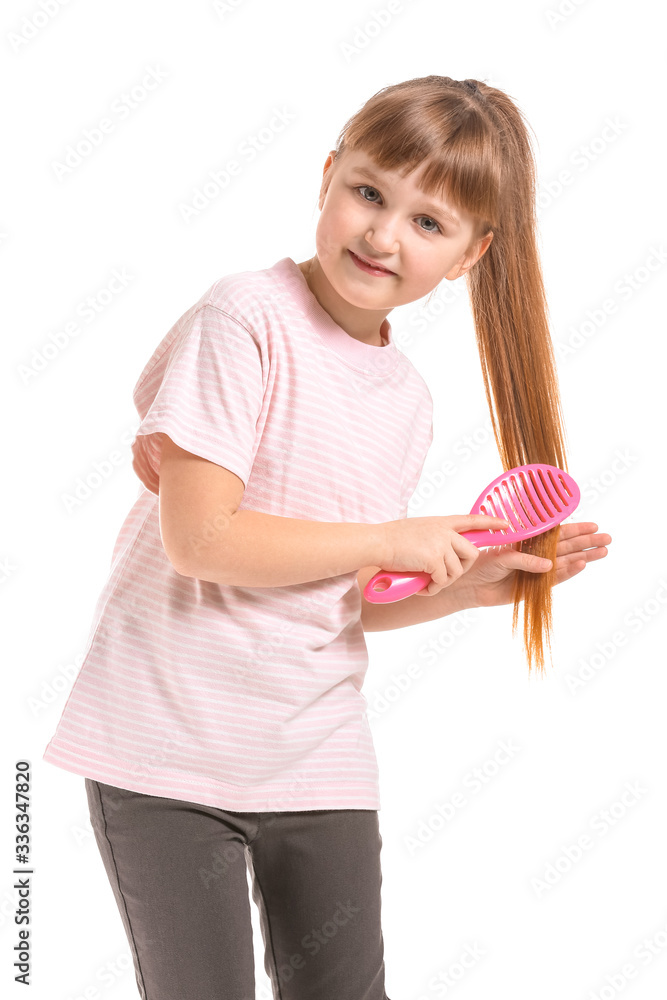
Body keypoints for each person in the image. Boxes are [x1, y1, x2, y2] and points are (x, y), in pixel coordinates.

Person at [43, 75, 611, 1000]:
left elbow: (331, 596)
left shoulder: (408, 402)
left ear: (473, 252)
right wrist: (390, 536)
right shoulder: (244, 320)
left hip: (317, 755)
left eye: (430, 223)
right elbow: (202, 542)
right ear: (326, 177)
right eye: (370, 192)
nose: (384, 234)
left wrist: (456, 587)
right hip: (168, 749)